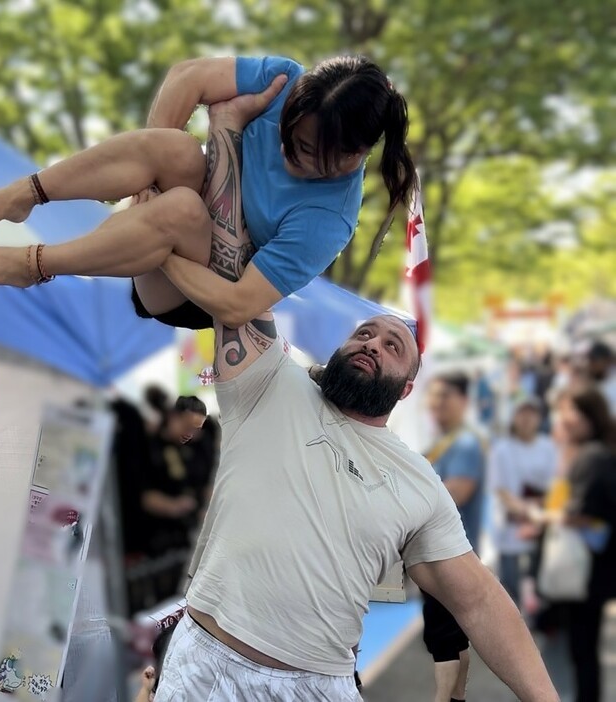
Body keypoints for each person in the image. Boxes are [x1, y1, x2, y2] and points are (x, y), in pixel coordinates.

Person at [151, 88, 559, 701]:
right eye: (364, 333)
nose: (372, 342)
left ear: (408, 386)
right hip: (202, 665)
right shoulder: (267, 383)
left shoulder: (417, 480)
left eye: (393, 345)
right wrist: (229, 131)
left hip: (315, 686)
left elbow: (475, 600)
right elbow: (230, 255)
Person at [0, 53, 416, 333]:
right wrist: (146, 192)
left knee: (184, 210)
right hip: (185, 209)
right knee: (176, 149)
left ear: (357, 155)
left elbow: (237, 305)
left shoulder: (330, 217)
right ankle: (23, 194)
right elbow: (187, 76)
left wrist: (158, 240)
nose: (294, 154)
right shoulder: (284, 80)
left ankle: (31, 266)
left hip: (200, 292)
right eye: (293, 136)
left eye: (314, 154)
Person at [541, 386, 616, 702]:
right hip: (593, 568)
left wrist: (544, 517)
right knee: (582, 647)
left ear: (589, 416)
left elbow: (577, 512)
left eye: (571, 411)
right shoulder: (596, 452)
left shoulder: (591, 456)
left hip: (585, 570)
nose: (565, 418)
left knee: (581, 650)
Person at [421, 372, 486, 702]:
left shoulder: (464, 444)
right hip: (440, 554)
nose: (436, 403)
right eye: (433, 396)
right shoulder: (444, 442)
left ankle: (444, 698)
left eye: (444, 396)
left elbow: (456, 493)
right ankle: (456, 697)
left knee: (443, 635)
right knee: (453, 635)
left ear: (463, 401)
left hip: (449, 557)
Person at [141, 395, 211, 602]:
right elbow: (144, 496)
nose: (190, 434)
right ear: (173, 417)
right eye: (187, 426)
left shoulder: (189, 451)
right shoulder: (150, 447)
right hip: (150, 543)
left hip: (179, 542)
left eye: (196, 430)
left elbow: (197, 488)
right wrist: (175, 506)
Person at [488, 397, 557, 609]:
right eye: (522, 413)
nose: (527, 419)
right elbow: (501, 490)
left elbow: (555, 485)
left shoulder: (548, 446)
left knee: (538, 582)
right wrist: (524, 511)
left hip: (541, 525)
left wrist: (538, 513)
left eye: (532, 414)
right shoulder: (502, 449)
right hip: (510, 526)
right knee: (510, 588)